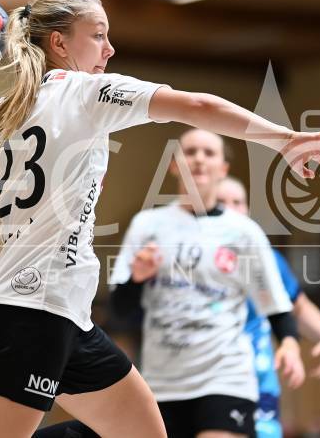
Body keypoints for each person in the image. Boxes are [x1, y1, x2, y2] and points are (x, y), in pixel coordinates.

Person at [0, 0, 320, 438]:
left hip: (68, 315)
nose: (109, 49)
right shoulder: (86, 93)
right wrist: (283, 139)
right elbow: (196, 105)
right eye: (98, 35)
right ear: (59, 43)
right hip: (32, 313)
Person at [107, 129, 305, 438]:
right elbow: (119, 310)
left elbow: (276, 303)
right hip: (162, 384)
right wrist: (137, 278)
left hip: (227, 379)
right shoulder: (147, 225)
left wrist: (290, 343)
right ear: (174, 165)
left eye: (209, 153)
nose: (199, 159)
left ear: (223, 169)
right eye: (190, 152)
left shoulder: (244, 232)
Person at [218, 176, 320, 438]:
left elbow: (298, 305)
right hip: (210, 378)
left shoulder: (266, 257)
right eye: (221, 201)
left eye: (237, 202)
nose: (230, 208)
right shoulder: (191, 256)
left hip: (258, 378)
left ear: (247, 209)